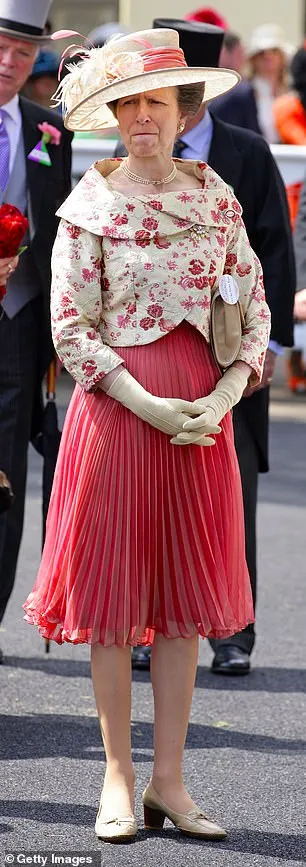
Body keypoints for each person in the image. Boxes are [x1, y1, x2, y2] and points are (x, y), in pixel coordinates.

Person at [23, 27, 270, 842]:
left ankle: (170, 778)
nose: (141, 118)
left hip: (201, 424)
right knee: (112, 603)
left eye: (156, 103)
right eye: (127, 104)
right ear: (111, 114)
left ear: (182, 110)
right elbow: (70, 327)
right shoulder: (86, 207)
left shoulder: (217, 199)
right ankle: (119, 776)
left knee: (180, 610)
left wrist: (226, 393)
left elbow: (254, 306)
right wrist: (150, 404)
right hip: (118, 418)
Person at [116, 19, 295, 673]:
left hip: (229, 353)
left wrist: (271, 341)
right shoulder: (128, 151)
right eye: (167, 87)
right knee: (146, 491)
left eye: (188, 89)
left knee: (231, 488)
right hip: (146, 349)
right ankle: (144, 625)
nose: (177, 102)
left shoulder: (246, 150)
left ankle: (233, 632)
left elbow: (273, 246)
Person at [0, 0, 72, 664]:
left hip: (20, 325)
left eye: (23, 53)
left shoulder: (48, 129)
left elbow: (62, 223)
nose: (9, 62)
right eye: (0, 47)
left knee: (8, 481)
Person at [212, 23, 290, 142]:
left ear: (282, 56)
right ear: (253, 59)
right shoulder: (240, 94)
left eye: (274, 51)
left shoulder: (291, 93)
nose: (268, 57)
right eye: (261, 53)